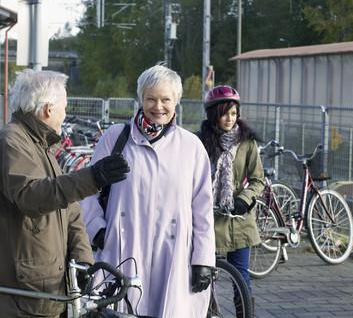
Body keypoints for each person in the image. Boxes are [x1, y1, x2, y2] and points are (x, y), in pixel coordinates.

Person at [0, 69, 130, 318]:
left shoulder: (40, 145)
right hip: (22, 292)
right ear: (48, 109)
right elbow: (31, 196)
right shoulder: (12, 143)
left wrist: (83, 260)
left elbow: (69, 210)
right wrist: (92, 177)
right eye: (64, 107)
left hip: (44, 288)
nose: (65, 115)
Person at [80, 65, 216, 318]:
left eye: (166, 99)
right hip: (122, 248)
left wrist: (203, 259)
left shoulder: (191, 147)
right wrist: (97, 229)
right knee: (121, 311)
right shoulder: (116, 138)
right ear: (141, 99)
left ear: (176, 101)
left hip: (174, 254)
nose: (158, 107)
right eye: (151, 99)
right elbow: (88, 188)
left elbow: (203, 208)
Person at [198, 85, 264, 311]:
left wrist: (244, 199)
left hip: (238, 218)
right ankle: (209, 313)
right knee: (206, 276)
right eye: (225, 113)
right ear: (213, 114)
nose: (229, 118)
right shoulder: (200, 143)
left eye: (234, 113)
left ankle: (245, 314)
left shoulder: (247, 142)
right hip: (209, 216)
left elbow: (258, 180)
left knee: (241, 278)